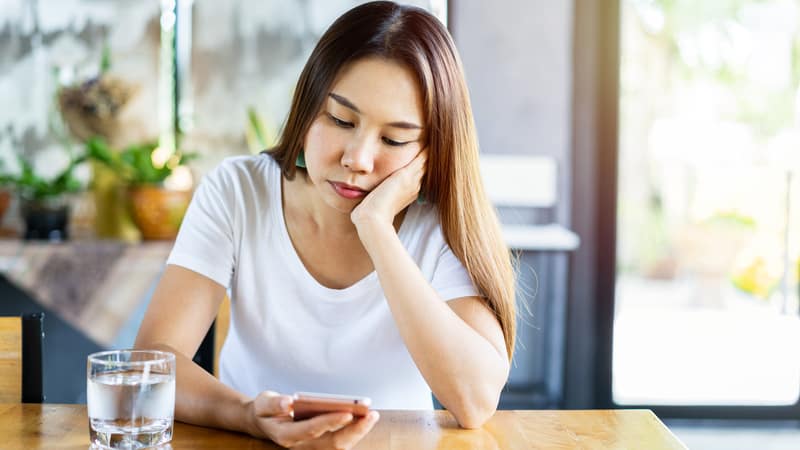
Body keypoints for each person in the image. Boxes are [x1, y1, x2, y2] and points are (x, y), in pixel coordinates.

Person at [134, 1, 516, 448]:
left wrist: (377, 229)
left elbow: (475, 401)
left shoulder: (436, 223)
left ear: (431, 149)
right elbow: (153, 362)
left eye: (394, 139)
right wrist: (248, 416)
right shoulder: (239, 192)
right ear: (309, 105)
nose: (357, 158)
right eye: (340, 119)